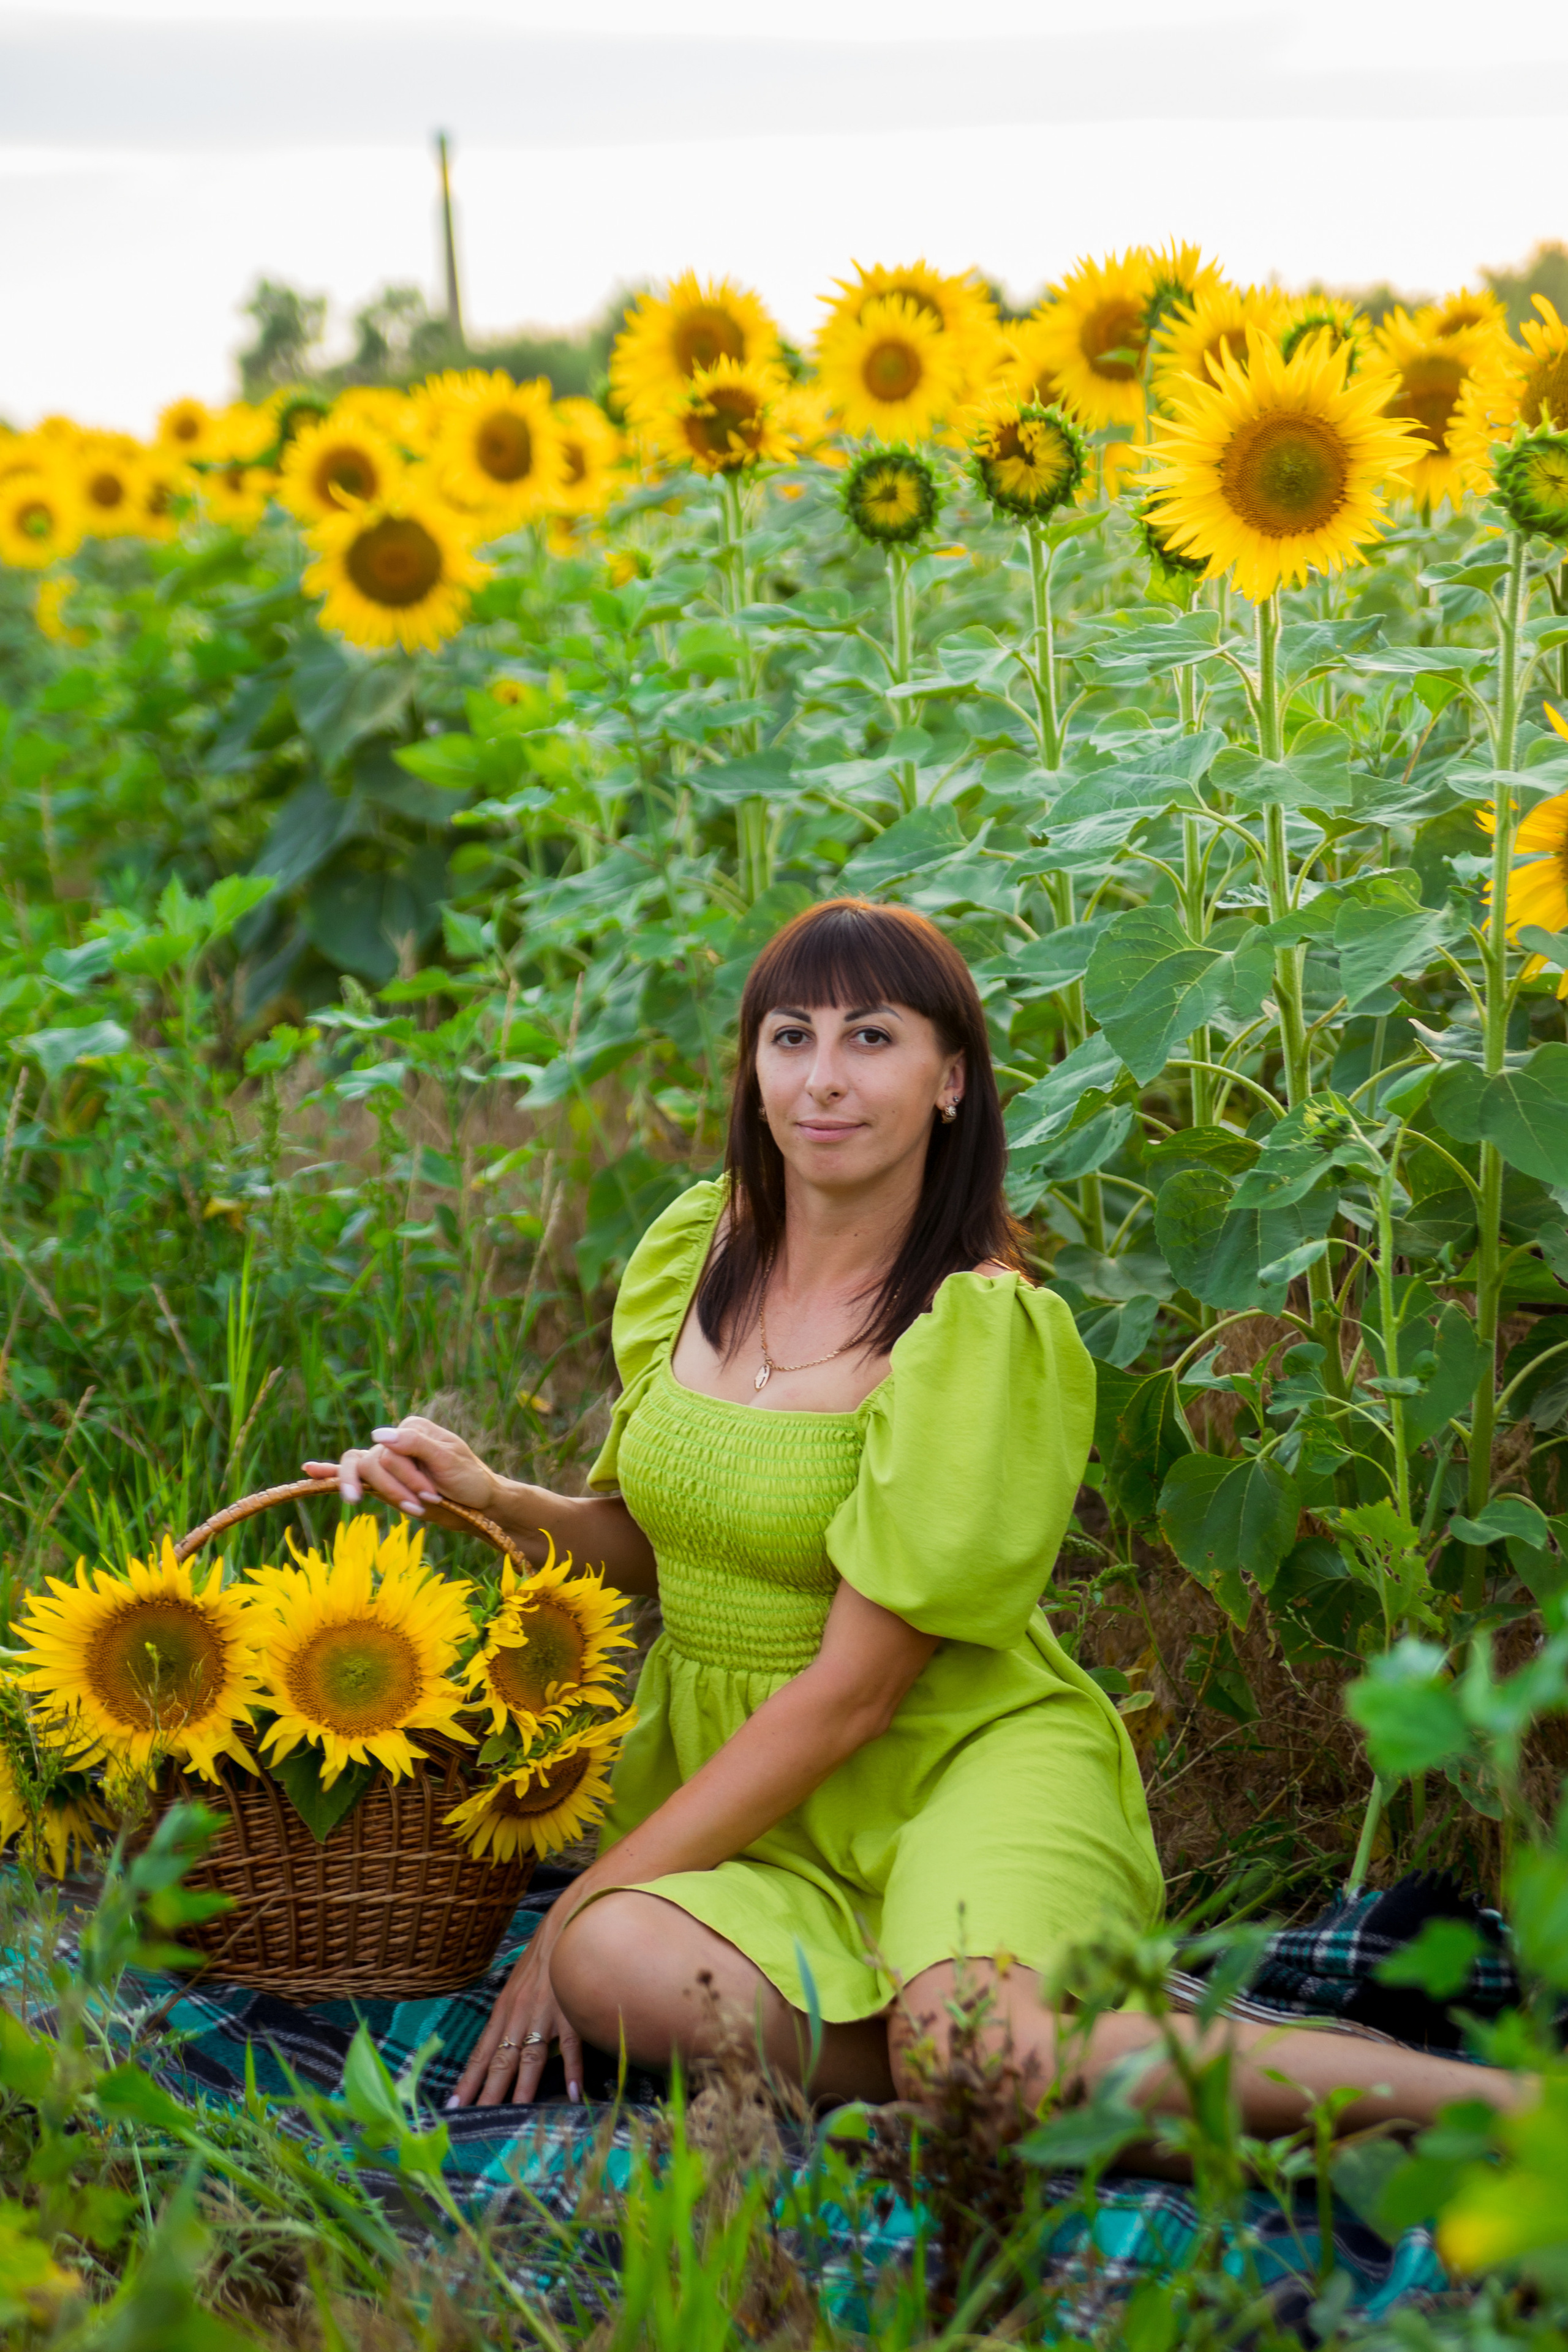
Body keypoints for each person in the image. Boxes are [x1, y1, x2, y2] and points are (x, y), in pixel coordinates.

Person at [309, 897, 1524, 2135]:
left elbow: (858, 1692)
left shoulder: (971, 1329)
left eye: (871, 1040)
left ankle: (1496, 2108)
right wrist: (500, 1500)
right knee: (611, 1963)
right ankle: (984, 2064)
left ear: (950, 1079)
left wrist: (564, 1910)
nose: (822, 1081)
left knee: (932, 2038)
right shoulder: (695, 1250)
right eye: (790, 1038)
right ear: (752, 1066)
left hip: (953, 1763)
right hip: (754, 1794)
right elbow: (662, 1545)